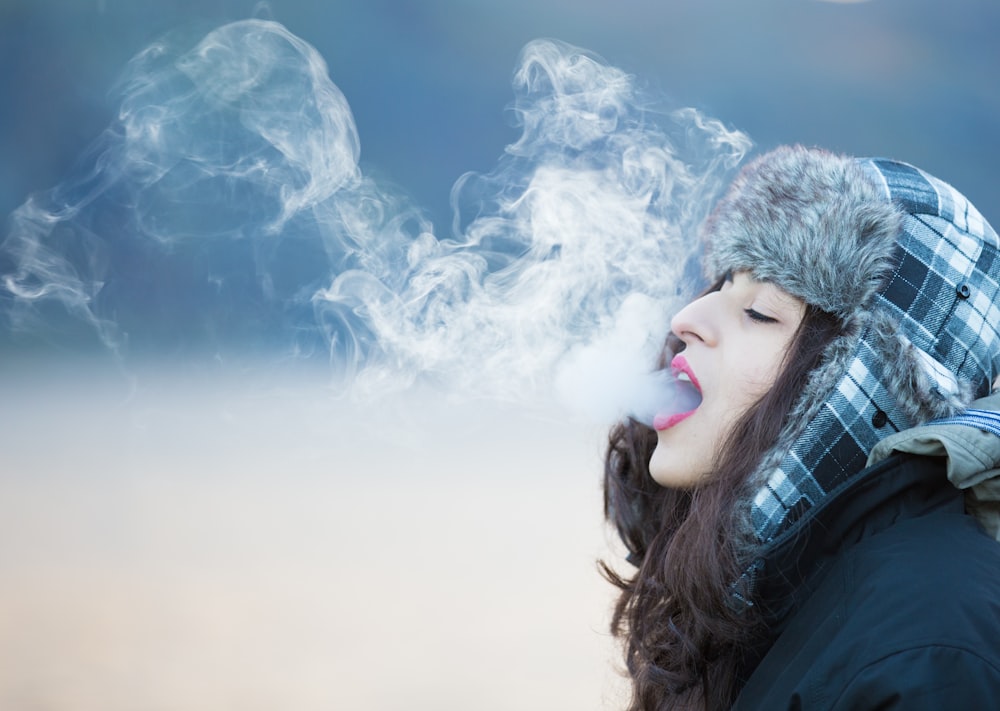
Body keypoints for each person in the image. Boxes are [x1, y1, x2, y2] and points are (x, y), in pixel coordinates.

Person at [602, 145, 1000, 710]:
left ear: (867, 389)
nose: (685, 319)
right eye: (721, 286)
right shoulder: (765, 598)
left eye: (760, 311)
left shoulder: (930, 646)